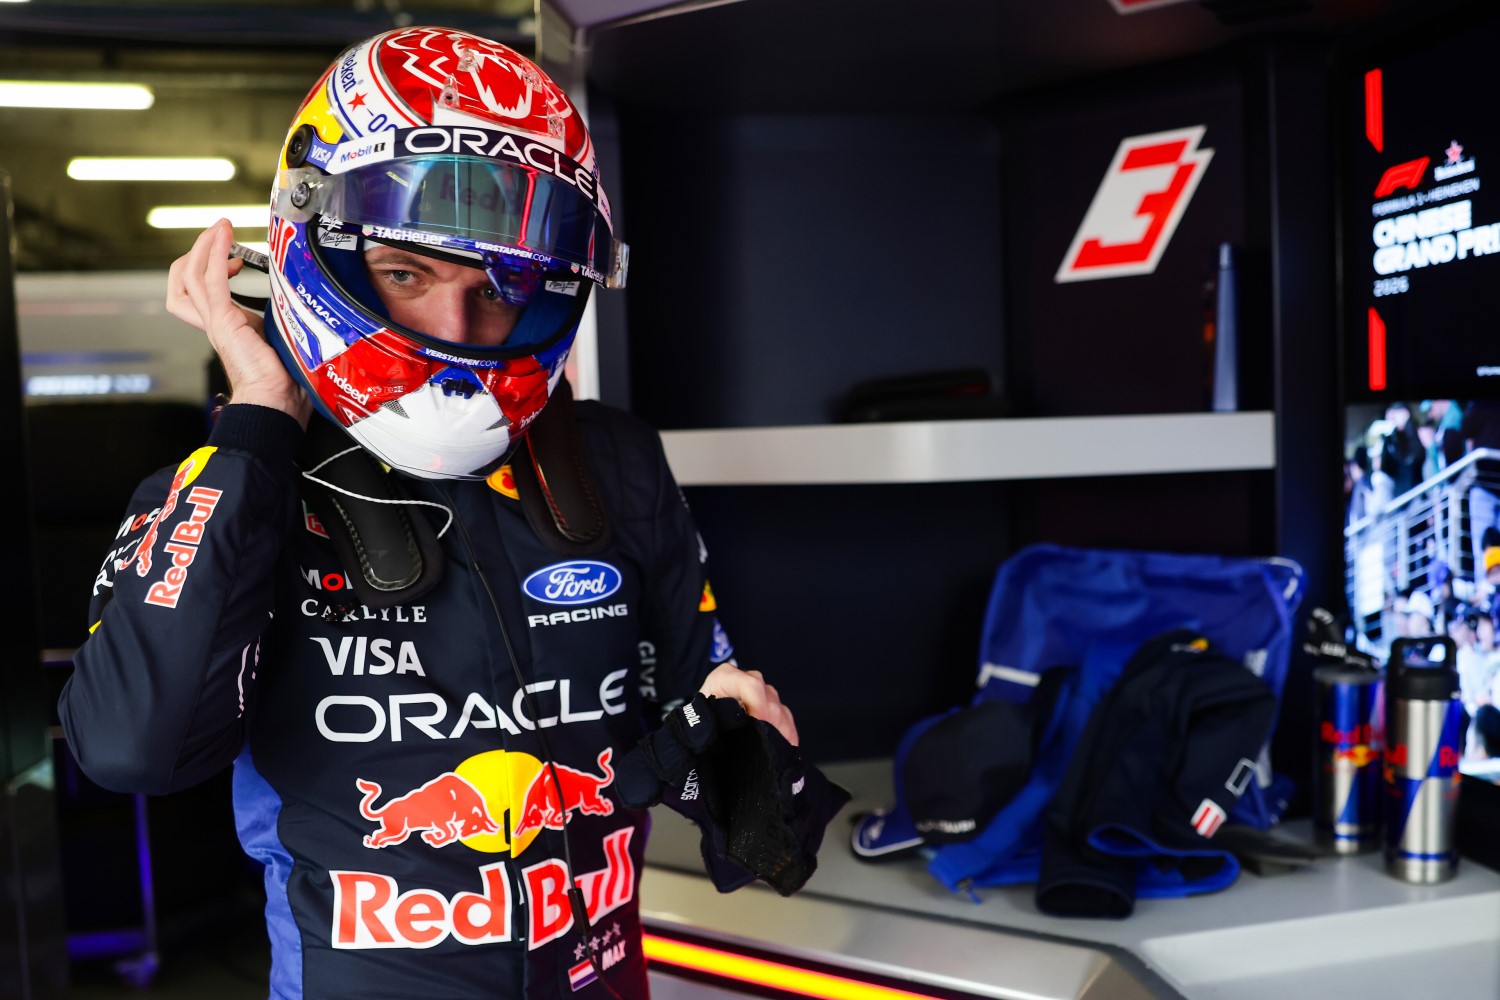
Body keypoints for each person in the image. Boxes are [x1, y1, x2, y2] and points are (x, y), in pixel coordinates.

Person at [57, 27, 845, 999]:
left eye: (501, 287)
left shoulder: (614, 462)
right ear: (317, 248)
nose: (458, 333)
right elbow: (132, 745)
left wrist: (747, 755)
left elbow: (740, 798)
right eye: (406, 272)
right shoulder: (243, 486)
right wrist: (260, 416)